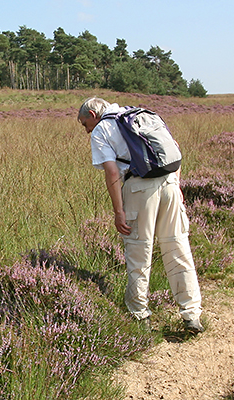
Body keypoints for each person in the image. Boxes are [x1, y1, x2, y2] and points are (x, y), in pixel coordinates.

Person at [77, 97, 204, 333]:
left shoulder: (102, 129)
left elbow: (112, 172)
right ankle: (191, 314)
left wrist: (119, 212)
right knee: (178, 248)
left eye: (85, 124)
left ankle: (139, 316)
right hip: (169, 183)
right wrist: (175, 184)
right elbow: (173, 148)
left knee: (139, 253)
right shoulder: (139, 115)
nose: (87, 131)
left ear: (93, 115)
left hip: (139, 188)